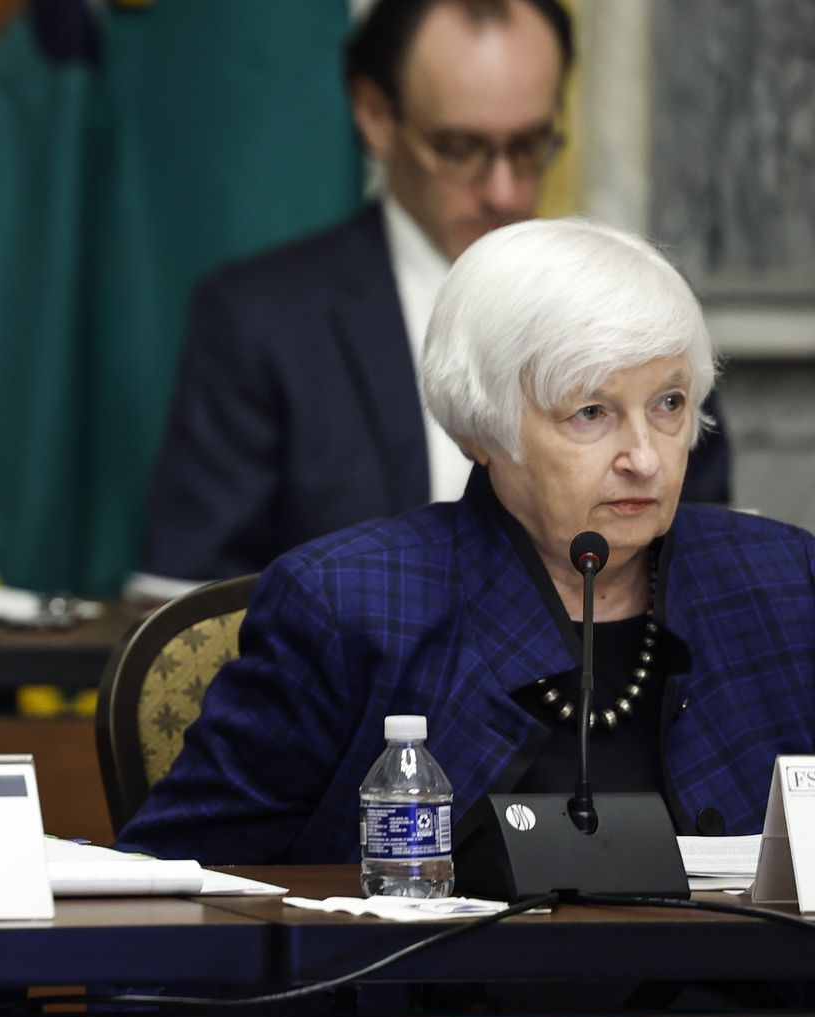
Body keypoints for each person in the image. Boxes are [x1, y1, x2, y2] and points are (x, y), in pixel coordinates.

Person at [118, 218, 815, 866]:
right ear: (481, 429)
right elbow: (179, 898)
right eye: (591, 412)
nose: (646, 458)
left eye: (668, 404)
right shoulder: (348, 607)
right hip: (443, 998)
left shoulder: (782, 582)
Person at [132, 0, 730, 596]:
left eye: (529, 146)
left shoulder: (638, 308)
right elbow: (190, 609)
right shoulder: (262, 321)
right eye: (460, 148)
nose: (503, 189)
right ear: (375, 116)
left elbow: (695, 562)